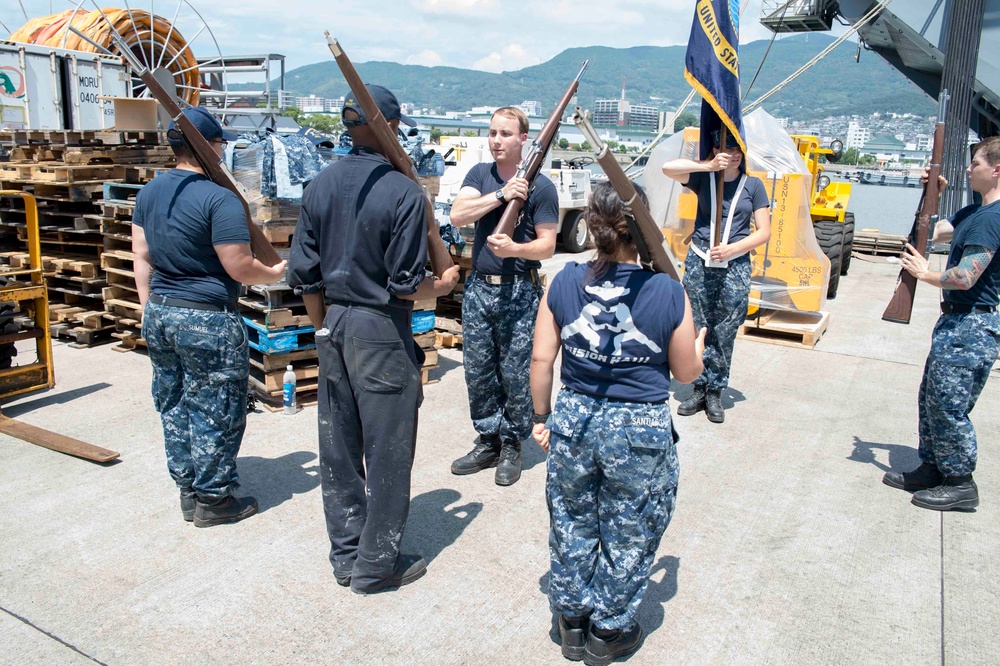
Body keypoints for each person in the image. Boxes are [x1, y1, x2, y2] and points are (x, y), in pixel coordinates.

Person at [287, 85, 459, 593]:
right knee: (387, 450)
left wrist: (322, 328)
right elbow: (407, 283)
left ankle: (345, 554)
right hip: (381, 329)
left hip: (333, 324)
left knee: (338, 446)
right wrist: (443, 286)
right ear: (391, 127)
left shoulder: (318, 185)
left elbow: (304, 273)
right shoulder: (403, 192)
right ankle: (374, 565)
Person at [530, 181, 706, 665]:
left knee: (572, 519)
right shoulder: (668, 290)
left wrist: (541, 417)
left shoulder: (564, 281)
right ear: (643, 227)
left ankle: (572, 619)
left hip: (576, 418)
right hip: (639, 429)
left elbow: (542, 360)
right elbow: (686, 374)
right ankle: (608, 629)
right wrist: (700, 345)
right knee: (629, 526)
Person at [133, 107, 287, 528]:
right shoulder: (220, 198)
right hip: (207, 316)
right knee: (216, 405)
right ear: (210, 146)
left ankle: (187, 488)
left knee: (174, 400)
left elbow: (141, 256)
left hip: (161, 311)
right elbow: (238, 265)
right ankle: (214, 499)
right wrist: (271, 274)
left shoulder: (149, 192)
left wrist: (151, 306)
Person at [883, 136, 1000, 511]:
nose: (969, 169)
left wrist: (927, 273)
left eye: (976, 163)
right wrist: (931, 195)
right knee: (931, 399)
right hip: (956, 324)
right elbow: (933, 230)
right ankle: (934, 468)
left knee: (949, 405)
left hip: (971, 327)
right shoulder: (976, 212)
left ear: (997, 169)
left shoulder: (993, 218)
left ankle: (961, 482)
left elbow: (966, 277)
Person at [448, 106, 559, 486]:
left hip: (519, 291)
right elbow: (458, 215)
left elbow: (547, 246)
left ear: (524, 139)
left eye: (505, 134)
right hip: (479, 288)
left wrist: (514, 249)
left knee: (515, 374)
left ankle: (512, 443)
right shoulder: (480, 175)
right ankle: (487, 439)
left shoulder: (542, 186)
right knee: (477, 372)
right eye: (492, 133)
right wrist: (501, 195)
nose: (496, 140)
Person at [660, 130, 771, 423]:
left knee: (725, 328)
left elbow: (764, 231)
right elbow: (667, 168)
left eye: (737, 149)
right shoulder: (704, 178)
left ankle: (715, 390)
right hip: (700, 259)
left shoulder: (754, 185)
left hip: (734, 264)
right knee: (696, 325)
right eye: (726, 147)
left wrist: (732, 248)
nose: (732, 154)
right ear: (715, 149)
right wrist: (707, 166)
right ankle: (698, 385)